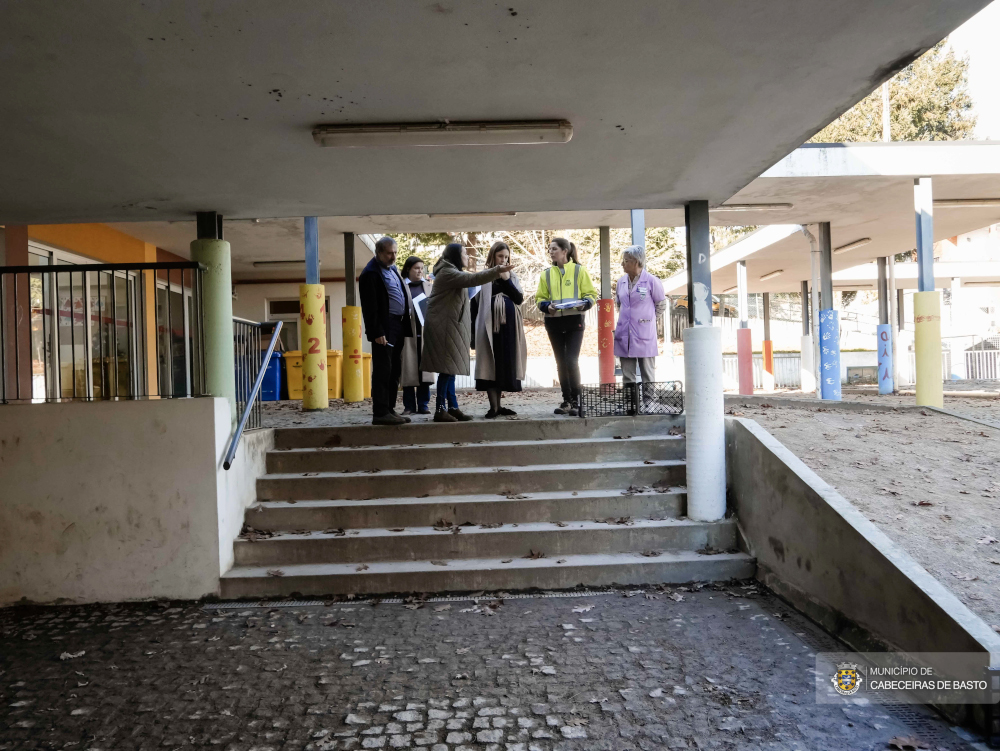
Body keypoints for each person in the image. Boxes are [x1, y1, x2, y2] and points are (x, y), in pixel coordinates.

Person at [422, 242, 513, 422]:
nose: (467, 257)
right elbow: (472, 280)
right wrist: (497, 270)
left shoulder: (450, 271)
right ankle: (440, 409)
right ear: (456, 256)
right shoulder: (447, 272)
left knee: (451, 369)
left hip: (449, 326)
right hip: (444, 327)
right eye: (464, 253)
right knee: (446, 370)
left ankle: (453, 407)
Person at [534, 237, 597, 416]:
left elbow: (591, 294)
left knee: (571, 360)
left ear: (565, 251)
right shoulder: (546, 274)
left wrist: (584, 304)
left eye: (554, 248)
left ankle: (577, 401)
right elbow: (540, 298)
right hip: (553, 322)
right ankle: (566, 400)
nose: (551, 252)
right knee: (561, 362)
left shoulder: (579, 271)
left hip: (574, 321)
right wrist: (547, 307)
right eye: (549, 249)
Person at [358, 236, 413, 425]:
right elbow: (369, 307)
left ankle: (390, 409)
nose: (393, 257)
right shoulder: (370, 274)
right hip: (384, 327)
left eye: (395, 253)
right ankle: (380, 412)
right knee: (383, 369)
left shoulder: (393, 270)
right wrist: (376, 331)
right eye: (389, 253)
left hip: (398, 324)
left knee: (394, 369)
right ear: (379, 252)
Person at [474, 241, 527, 418]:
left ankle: (500, 405)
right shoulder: (483, 276)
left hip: (509, 328)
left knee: (505, 363)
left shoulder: (512, 276)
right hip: (489, 327)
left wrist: (506, 280)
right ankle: (493, 407)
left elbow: (518, 299)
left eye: (506, 257)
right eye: (500, 256)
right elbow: (476, 304)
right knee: (490, 363)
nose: (503, 260)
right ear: (492, 256)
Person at [614, 245, 666, 385]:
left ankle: (648, 404)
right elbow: (619, 304)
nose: (622, 264)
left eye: (625, 261)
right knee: (627, 376)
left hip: (644, 333)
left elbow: (660, 305)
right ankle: (631, 405)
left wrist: (647, 320)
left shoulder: (652, 281)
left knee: (647, 374)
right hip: (624, 333)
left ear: (636, 262)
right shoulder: (621, 282)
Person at [399, 255, 434, 415]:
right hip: (407, 334)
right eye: (416, 268)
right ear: (408, 269)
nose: (420, 271)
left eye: (421, 268)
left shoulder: (428, 287)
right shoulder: (401, 286)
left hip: (425, 334)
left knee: (425, 371)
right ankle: (409, 406)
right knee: (408, 369)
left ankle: (423, 404)